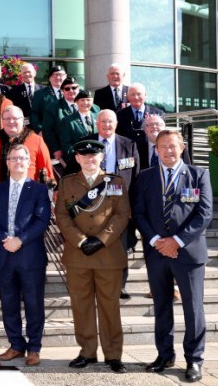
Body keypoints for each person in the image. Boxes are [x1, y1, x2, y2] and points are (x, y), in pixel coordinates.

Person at [133, 129, 212, 383]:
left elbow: (204, 214)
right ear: (156, 150)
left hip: (188, 253)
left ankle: (194, 360)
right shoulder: (145, 177)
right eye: (162, 146)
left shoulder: (198, 174)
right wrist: (156, 241)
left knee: (193, 309)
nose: (168, 150)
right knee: (162, 306)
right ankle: (164, 355)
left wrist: (176, 241)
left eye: (173, 146)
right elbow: (139, 213)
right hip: (157, 253)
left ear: (182, 147)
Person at [55, 140, 130, 374]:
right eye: (84, 155)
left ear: (101, 157)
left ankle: (113, 354)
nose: (89, 159)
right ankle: (87, 352)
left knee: (110, 306)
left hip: (108, 254)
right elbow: (61, 216)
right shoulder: (67, 183)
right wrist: (80, 240)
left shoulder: (114, 182)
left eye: (94, 155)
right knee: (81, 305)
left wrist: (101, 239)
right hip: (78, 254)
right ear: (77, 158)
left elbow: (122, 213)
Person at [0, 144, 51, 366]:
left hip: (30, 256)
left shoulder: (39, 190)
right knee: (9, 303)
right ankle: (16, 345)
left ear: (28, 162)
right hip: (4, 255)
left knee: (33, 304)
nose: (18, 162)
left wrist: (19, 240)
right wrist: (5, 238)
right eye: (13, 158)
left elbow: (41, 220)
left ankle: (34, 348)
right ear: (7, 163)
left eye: (22, 158)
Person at [0, 104, 54, 302]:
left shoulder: (36, 141)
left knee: (29, 243)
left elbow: (47, 173)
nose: (12, 122)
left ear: (23, 120)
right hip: (0, 207)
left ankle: (29, 285)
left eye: (16, 119)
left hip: (29, 209)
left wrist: (49, 201)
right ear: (1, 121)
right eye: (8, 119)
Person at [83, 109, 140, 299]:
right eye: (103, 122)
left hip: (120, 206)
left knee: (119, 247)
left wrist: (132, 206)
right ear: (97, 123)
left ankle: (120, 285)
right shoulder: (86, 142)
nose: (107, 125)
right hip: (92, 205)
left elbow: (136, 177)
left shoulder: (128, 144)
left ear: (116, 124)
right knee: (94, 245)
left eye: (110, 122)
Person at [41, 77, 79, 164]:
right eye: (67, 88)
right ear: (62, 91)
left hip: (85, 151)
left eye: (74, 88)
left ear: (78, 89)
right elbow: (47, 131)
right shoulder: (53, 108)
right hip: (64, 153)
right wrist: (55, 149)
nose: (71, 90)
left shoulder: (89, 106)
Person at [58, 89, 101, 168]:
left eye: (88, 100)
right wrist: (81, 157)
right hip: (79, 162)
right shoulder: (68, 121)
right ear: (76, 102)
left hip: (98, 160)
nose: (85, 103)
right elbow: (66, 145)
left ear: (92, 101)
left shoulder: (99, 117)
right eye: (82, 100)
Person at [29, 65, 66, 133]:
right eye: (55, 75)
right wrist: (39, 130)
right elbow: (34, 114)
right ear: (50, 78)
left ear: (65, 76)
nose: (58, 77)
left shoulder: (73, 92)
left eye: (61, 75)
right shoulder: (40, 94)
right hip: (49, 134)